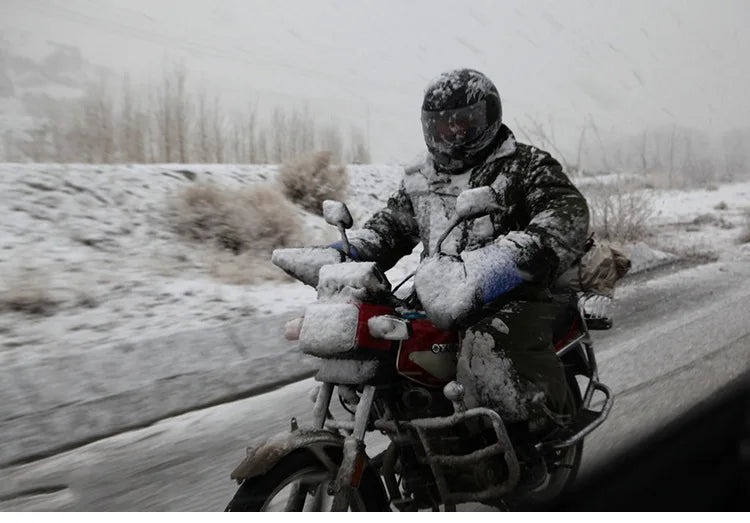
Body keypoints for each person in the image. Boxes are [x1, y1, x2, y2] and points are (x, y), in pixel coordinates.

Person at [275, 68, 590, 483]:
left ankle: (530, 442)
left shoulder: (524, 165)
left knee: (488, 340)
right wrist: (339, 253)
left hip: (518, 289)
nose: (453, 135)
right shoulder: (421, 179)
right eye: (443, 125)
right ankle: (417, 437)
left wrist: (503, 260)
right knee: (386, 335)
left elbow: (566, 213)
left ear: (488, 118)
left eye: (464, 123)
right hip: (441, 288)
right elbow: (389, 228)